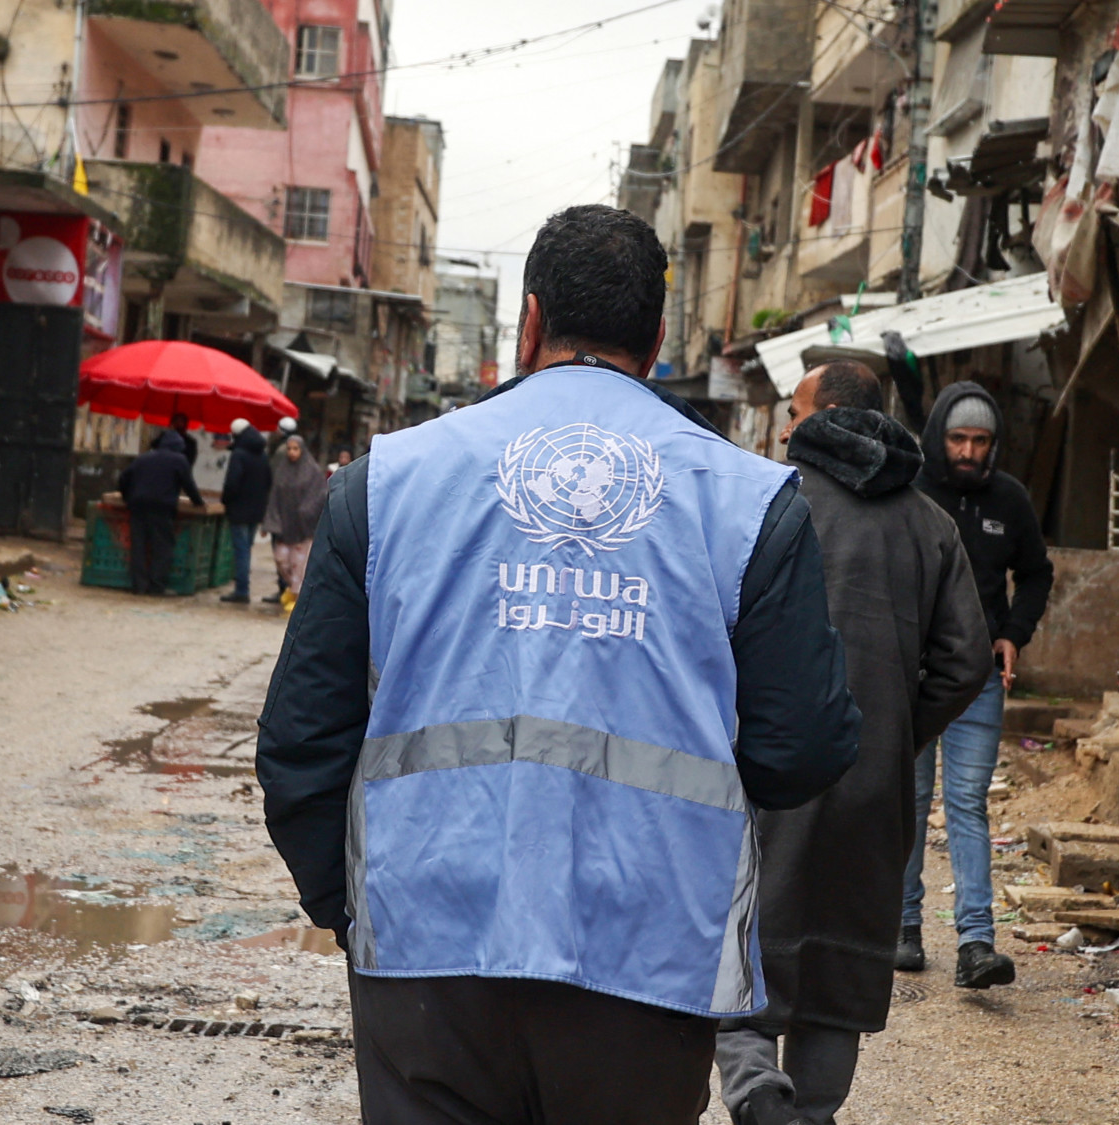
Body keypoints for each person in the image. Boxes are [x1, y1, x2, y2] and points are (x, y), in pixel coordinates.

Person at [257, 204, 860, 1125]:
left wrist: (352, 904)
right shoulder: (751, 503)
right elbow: (804, 747)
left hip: (425, 939)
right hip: (651, 952)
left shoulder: (386, 482)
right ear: (657, 341)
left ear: (529, 321)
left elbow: (300, 739)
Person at [714, 361, 990, 1125]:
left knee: (745, 938)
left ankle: (754, 1088)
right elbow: (967, 659)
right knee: (840, 963)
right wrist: (895, 732)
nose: (784, 427)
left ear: (822, 414)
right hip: (873, 782)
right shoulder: (929, 522)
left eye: (793, 411)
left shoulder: (768, 503)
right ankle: (811, 1112)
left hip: (766, 771)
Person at [898, 381, 1054, 987]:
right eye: (958, 438)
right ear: (940, 436)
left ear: (994, 443)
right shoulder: (910, 489)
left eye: (981, 440)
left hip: (980, 679)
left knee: (966, 802)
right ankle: (903, 927)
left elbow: (1036, 573)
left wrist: (1014, 633)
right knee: (909, 800)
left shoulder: (1008, 500)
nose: (968, 451)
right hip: (913, 677)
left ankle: (976, 943)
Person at [119, 430, 205, 596]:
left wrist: (127, 497)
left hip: (138, 506)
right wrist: (198, 503)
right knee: (162, 547)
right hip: (161, 508)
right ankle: (156, 586)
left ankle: (139, 586)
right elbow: (189, 485)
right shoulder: (179, 460)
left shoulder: (143, 458)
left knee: (138, 546)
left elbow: (124, 478)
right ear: (179, 447)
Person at [263, 434, 325, 611]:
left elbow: (319, 495)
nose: (292, 452)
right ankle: (293, 589)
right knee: (281, 559)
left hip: (304, 529)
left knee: (298, 564)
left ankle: (298, 597)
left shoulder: (312, 471)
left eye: (295, 449)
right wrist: (270, 521)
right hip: (284, 526)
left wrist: (306, 511)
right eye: (289, 449)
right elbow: (274, 496)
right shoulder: (282, 470)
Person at [219, 419, 271, 604]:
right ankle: (242, 587)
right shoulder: (262, 455)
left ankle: (242, 590)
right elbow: (268, 482)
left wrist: (225, 500)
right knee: (246, 549)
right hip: (256, 511)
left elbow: (232, 483)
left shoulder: (239, 455)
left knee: (241, 551)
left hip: (239, 510)